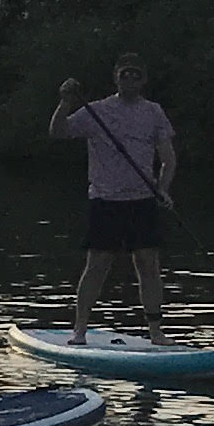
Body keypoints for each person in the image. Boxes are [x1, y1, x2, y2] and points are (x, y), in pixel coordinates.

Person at [50, 57, 177, 339]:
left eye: (136, 75)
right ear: (116, 79)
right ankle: (80, 329)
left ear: (143, 81)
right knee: (97, 265)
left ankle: (156, 330)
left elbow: (168, 158)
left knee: (148, 264)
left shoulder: (154, 112)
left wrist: (162, 188)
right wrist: (66, 102)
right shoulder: (97, 111)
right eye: (124, 75)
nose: (130, 80)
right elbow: (58, 132)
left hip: (141, 199)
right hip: (105, 200)